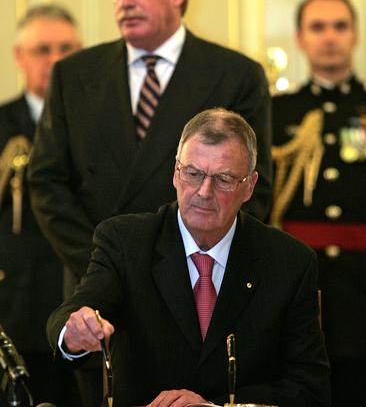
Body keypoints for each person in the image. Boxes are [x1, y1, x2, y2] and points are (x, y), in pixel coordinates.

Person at [28, 0, 272, 406]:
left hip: (198, 294)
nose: (124, 0)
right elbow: (47, 183)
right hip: (99, 295)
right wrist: (109, 263)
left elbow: (252, 192)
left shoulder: (235, 74)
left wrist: (182, 268)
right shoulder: (74, 74)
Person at [47, 108, 330, 407]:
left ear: (249, 186)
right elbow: (77, 310)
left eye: (223, 179)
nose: (204, 192)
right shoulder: (125, 242)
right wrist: (74, 334)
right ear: (175, 173)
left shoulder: (289, 261)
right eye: (193, 174)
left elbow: (310, 388)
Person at [271, 0, 366, 407]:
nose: (330, 37)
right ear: (300, 38)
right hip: (296, 284)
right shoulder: (276, 113)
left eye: (340, 26)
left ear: (355, 35)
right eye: (318, 27)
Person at [0, 4, 81, 406]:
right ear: (19, 56)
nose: (55, 60)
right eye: (42, 49)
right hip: (17, 305)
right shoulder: (1, 126)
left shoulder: (95, 126)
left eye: (66, 48)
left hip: (82, 302)